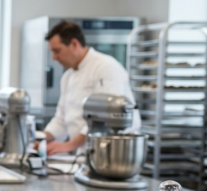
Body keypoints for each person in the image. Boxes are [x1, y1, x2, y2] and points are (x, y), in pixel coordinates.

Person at [42, 21, 140, 156]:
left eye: (57, 51)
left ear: (74, 44)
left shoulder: (106, 67)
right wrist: (40, 139)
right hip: (86, 152)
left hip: (116, 152)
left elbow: (105, 118)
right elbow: (61, 119)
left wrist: (68, 145)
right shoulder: (68, 76)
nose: (54, 58)